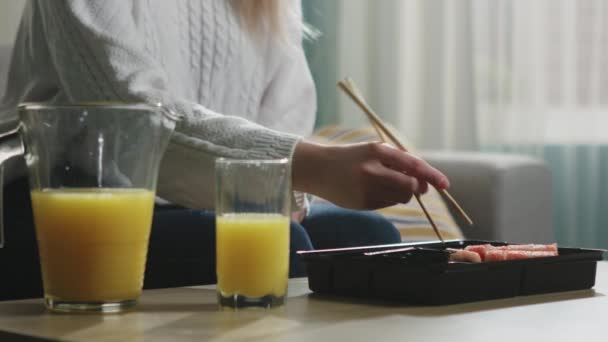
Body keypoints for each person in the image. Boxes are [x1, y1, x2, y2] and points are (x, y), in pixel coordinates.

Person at [0, 0, 449, 299]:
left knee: (367, 240)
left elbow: (285, 114)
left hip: (201, 204)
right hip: (70, 202)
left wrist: (283, 186)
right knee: (283, 250)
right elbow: (131, 121)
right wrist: (307, 166)